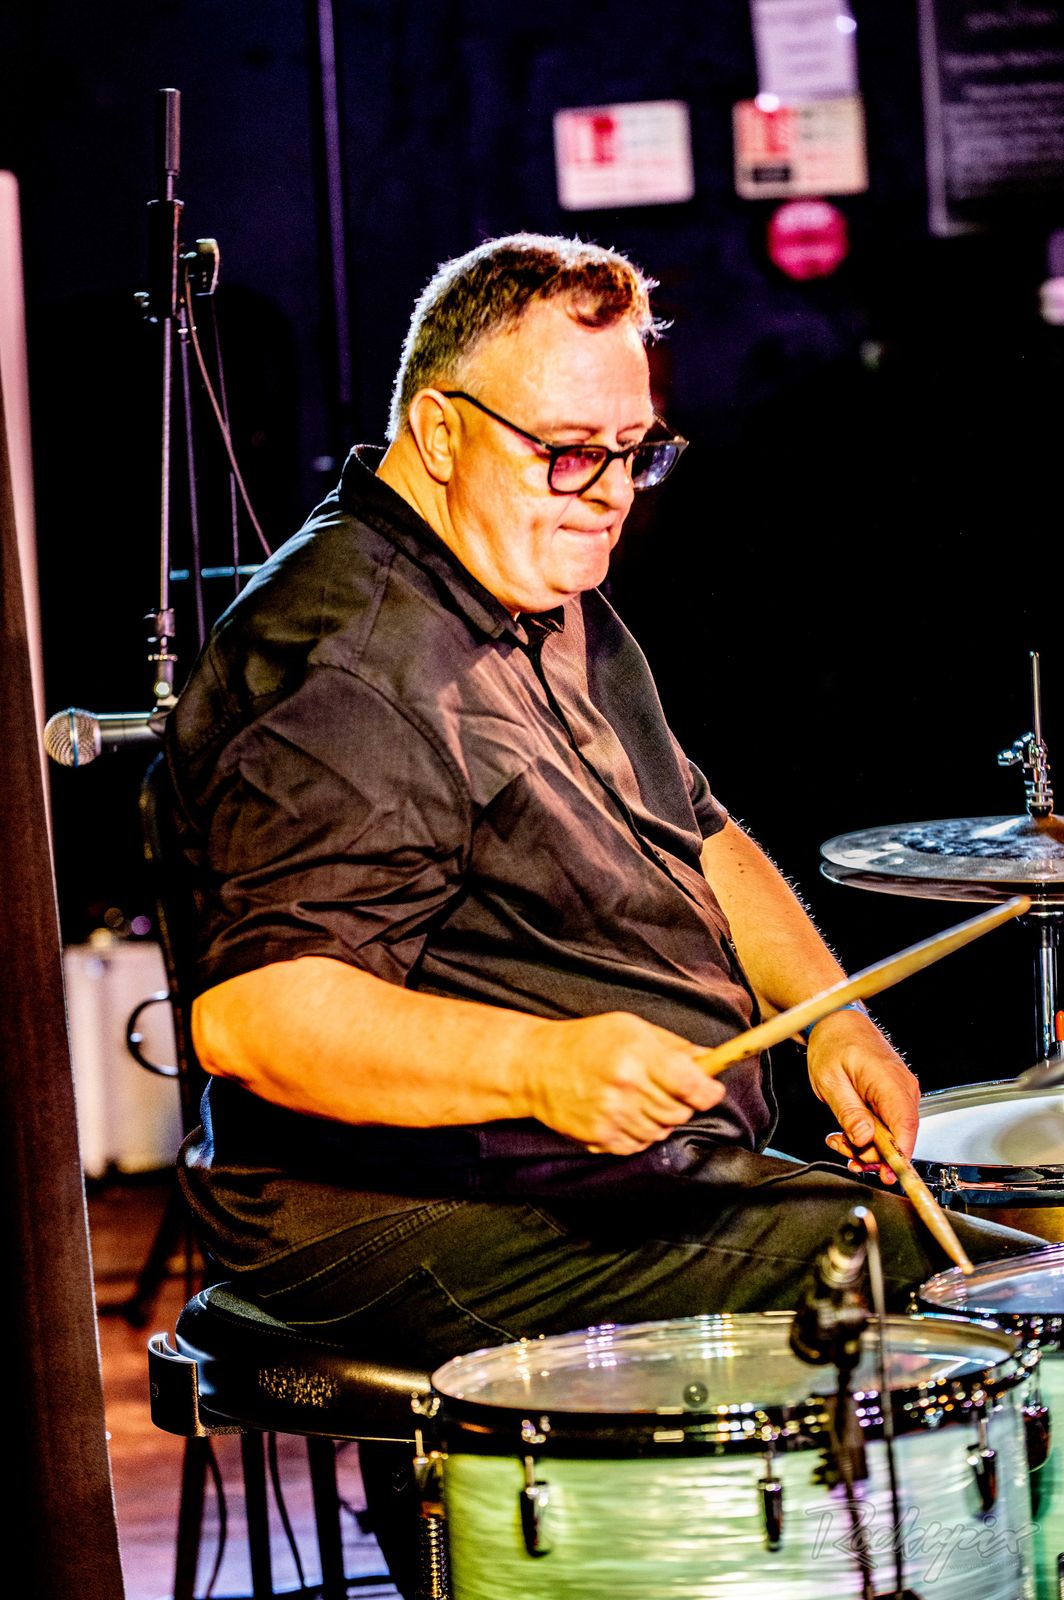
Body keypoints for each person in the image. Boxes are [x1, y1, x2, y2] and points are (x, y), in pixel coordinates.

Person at [166, 233, 1042, 1590]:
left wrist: (829, 1018)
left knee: (980, 1279)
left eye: (638, 452)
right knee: (973, 1309)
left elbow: (703, 833)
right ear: (439, 432)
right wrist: (546, 1067)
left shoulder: (533, 577)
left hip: (600, 1184)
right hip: (399, 1217)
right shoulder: (347, 663)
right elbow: (259, 1018)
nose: (613, 495)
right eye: (573, 452)